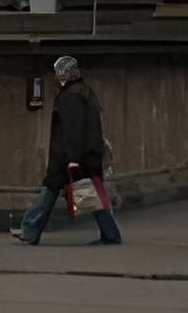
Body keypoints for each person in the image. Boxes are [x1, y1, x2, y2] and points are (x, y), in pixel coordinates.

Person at [16, 54, 119, 246]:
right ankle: (111, 234)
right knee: (88, 196)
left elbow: (73, 130)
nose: (56, 76)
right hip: (83, 156)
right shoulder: (84, 91)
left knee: (53, 192)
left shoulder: (71, 96)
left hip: (70, 157)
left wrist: (72, 161)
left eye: (58, 73)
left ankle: (30, 230)